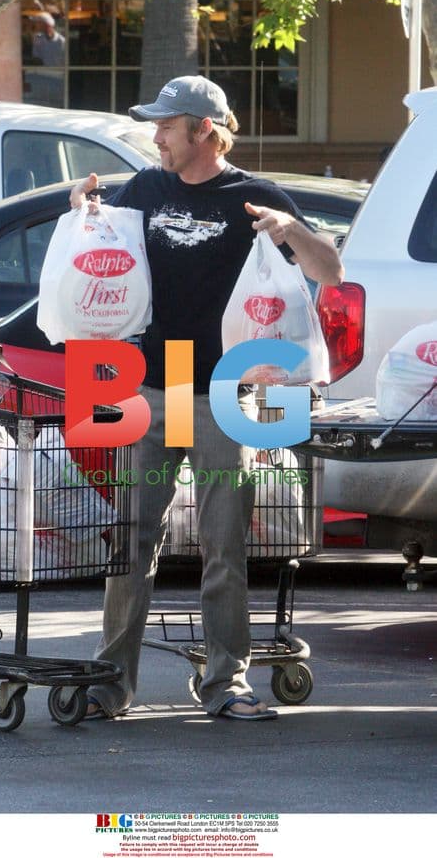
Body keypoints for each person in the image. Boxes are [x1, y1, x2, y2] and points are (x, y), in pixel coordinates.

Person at [70, 75, 344, 721]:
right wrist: (79, 202)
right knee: (132, 540)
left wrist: (291, 232)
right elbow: (96, 242)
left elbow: (329, 269)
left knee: (224, 543)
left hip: (227, 390)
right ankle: (112, 682)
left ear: (203, 130)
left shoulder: (253, 198)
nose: (156, 137)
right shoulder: (145, 189)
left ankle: (226, 681)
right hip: (153, 384)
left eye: (167, 126)